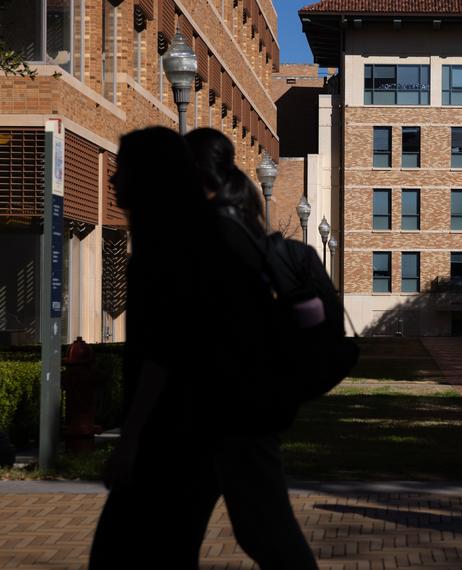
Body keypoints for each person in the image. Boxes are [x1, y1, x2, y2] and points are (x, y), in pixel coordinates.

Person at [184, 127, 319, 569]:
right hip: (236, 406)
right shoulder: (242, 224)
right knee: (258, 531)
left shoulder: (216, 234)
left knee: (266, 533)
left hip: (231, 408)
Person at [90, 127, 218, 568]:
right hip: (194, 437)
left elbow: (163, 354)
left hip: (171, 440)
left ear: (148, 176)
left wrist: (130, 443)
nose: (111, 178)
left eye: (121, 167)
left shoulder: (164, 252)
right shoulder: (190, 240)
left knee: (117, 555)